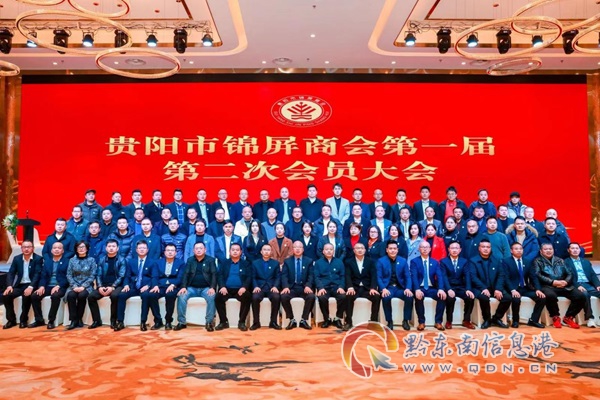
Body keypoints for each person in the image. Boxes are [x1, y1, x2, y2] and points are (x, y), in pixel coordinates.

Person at [533, 243, 586, 329]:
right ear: (541, 251)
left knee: (581, 296)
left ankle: (569, 317)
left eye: (550, 249)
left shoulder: (560, 260)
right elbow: (538, 275)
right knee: (550, 295)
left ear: (553, 250)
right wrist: (553, 282)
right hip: (548, 286)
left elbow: (569, 273)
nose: (548, 251)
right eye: (546, 249)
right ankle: (555, 317)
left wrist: (565, 282)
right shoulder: (537, 261)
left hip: (563, 285)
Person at [114, 240, 158, 331]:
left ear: (147, 250)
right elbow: (127, 276)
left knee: (146, 296)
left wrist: (148, 286)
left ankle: (143, 322)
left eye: (144, 248)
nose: (142, 250)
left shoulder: (152, 262)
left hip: (145, 287)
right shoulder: (131, 262)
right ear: (136, 250)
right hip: (133, 286)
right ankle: (120, 322)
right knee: (121, 295)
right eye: (140, 248)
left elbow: (154, 277)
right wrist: (126, 285)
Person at [501, 242, 546, 328]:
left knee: (541, 298)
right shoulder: (506, 261)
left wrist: (538, 289)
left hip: (525, 288)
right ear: (511, 251)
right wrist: (512, 290)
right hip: (513, 288)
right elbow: (506, 278)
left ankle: (533, 320)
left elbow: (533, 277)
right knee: (516, 299)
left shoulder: (527, 261)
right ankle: (515, 321)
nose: (519, 250)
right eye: (516, 249)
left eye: (520, 249)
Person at [142, 244, 185, 331]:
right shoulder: (158, 262)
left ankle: (168, 321)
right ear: (164, 252)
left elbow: (180, 277)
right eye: (168, 250)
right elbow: (154, 276)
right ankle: (158, 320)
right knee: (151, 295)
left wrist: (173, 285)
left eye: (172, 250)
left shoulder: (181, 263)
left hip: (173, 286)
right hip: (160, 285)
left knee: (170, 295)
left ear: (176, 253)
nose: (170, 252)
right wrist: (155, 285)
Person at [176, 241, 217, 331]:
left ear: (205, 250)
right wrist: (183, 287)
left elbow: (214, 274)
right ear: (193, 250)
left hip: (206, 288)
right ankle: (182, 322)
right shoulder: (190, 260)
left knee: (212, 296)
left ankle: (209, 322)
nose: (198, 250)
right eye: (196, 248)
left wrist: (212, 287)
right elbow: (186, 274)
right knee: (181, 296)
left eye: (201, 248)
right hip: (192, 288)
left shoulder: (210, 260)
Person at [469, 239, 511, 329]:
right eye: (483, 247)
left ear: (491, 248)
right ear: (479, 248)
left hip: (494, 287)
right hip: (479, 288)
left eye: (488, 247)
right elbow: (473, 277)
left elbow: (501, 275)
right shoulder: (473, 261)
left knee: (507, 298)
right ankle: (487, 319)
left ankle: (496, 318)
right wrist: (483, 288)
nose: (485, 249)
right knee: (484, 297)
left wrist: (498, 289)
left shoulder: (497, 260)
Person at [2, 240, 43, 329]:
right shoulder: (17, 258)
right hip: (20, 285)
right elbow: (11, 273)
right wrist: (9, 286)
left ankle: (23, 320)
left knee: (26, 296)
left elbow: (37, 274)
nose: (26, 249)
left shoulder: (38, 259)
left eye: (29, 247)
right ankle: (11, 320)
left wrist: (31, 287)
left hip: (32, 285)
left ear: (33, 248)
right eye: (24, 247)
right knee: (6, 295)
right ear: (21, 249)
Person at [87, 239, 126, 329]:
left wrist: (113, 287)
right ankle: (96, 321)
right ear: (106, 248)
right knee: (91, 297)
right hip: (103, 285)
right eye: (109, 246)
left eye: (113, 246)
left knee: (114, 296)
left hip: (117, 285)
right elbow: (98, 275)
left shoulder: (121, 260)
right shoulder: (102, 260)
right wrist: (100, 286)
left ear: (117, 248)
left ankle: (113, 320)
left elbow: (121, 276)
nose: (111, 248)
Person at [30, 242, 68, 329]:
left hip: (60, 286)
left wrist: (58, 286)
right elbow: (43, 276)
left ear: (63, 250)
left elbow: (68, 277)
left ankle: (51, 320)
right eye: (54, 248)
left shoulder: (67, 261)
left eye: (59, 248)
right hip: (47, 286)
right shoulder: (47, 262)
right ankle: (39, 320)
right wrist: (41, 286)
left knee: (55, 296)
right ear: (51, 250)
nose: (57, 250)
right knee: (35, 296)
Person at [377, 240, 413, 331]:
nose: (392, 250)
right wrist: (383, 289)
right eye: (390, 249)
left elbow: (407, 276)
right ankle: (389, 321)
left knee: (409, 296)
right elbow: (379, 277)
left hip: (400, 288)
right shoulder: (381, 261)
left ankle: (406, 320)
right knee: (386, 297)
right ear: (387, 250)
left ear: (397, 250)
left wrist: (408, 288)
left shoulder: (403, 261)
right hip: (388, 288)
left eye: (394, 248)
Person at [343, 242, 380, 330]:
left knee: (376, 297)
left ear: (365, 250)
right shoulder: (348, 262)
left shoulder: (370, 261)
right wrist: (350, 287)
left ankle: (373, 322)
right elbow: (347, 276)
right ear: (354, 250)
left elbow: (374, 276)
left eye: (362, 248)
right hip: (354, 288)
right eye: (357, 248)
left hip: (367, 288)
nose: (360, 250)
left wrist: (373, 288)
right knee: (348, 296)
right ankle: (348, 322)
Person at [215, 243, 252, 331]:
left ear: (241, 252)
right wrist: (222, 286)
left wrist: (244, 287)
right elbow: (220, 276)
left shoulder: (246, 264)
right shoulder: (224, 263)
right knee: (218, 297)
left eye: (237, 250)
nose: (235, 252)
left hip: (240, 290)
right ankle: (223, 321)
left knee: (247, 296)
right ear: (229, 251)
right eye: (233, 250)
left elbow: (249, 277)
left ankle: (242, 322)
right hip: (226, 289)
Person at [410, 241, 446, 331]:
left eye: (427, 247)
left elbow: (440, 276)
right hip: (420, 288)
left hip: (431, 288)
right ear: (419, 249)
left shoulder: (435, 262)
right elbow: (414, 276)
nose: (425, 249)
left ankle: (438, 322)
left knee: (442, 297)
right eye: (422, 247)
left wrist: (441, 289)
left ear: (430, 249)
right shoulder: (414, 261)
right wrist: (417, 289)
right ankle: (421, 322)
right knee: (419, 297)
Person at [440, 241, 476, 329]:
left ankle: (466, 320)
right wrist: (448, 289)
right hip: (449, 287)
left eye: (456, 248)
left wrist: (468, 289)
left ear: (460, 250)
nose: (454, 250)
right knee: (450, 298)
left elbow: (467, 276)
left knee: (470, 297)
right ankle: (449, 321)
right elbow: (444, 277)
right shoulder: (444, 261)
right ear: (448, 249)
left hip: (460, 287)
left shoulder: (464, 261)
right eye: (452, 248)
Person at [564, 242, 600, 328]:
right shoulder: (565, 262)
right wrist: (577, 286)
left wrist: (598, 285)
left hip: (588, 284)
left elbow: (593, 275)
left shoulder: (586, 262)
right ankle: (590, 319)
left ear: (580, 250)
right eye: (572, 248)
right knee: (584, 294)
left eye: (577, 248)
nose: (575, 250)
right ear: (568, 250)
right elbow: (567, 277)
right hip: (575, 285)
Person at [281, 241, 315, 330]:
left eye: (299, 247)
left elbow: (311, 275)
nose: (297, 249)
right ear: (292, 249)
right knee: (284, 296)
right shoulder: (287, 261)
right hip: (292, 287)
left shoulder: (309, 261)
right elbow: (284, 275)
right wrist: (286, 287)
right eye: (295, 247)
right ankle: (292, 319)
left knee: (311, 296)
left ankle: (304, 320)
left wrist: (308, 286)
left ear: (303, 249)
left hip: (304, 288)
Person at [65, 240, 97, 330]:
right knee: (71, 295)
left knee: (82, 296)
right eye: (79, 247)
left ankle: (79, 318)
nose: (81, 249)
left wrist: (83, 286)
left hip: (87, 286)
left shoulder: (91, 260)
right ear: (76, 249)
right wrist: (74, 286)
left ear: (87, 249)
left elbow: (93, 275)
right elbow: (69, 275)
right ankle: (73, 320)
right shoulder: (72, 260)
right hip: (74, 285)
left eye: (83, 247)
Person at [250, 244, 282, 330]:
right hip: (259, 287)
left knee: (276, 297)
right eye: (264, 250)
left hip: (271, 287)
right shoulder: (255, 263)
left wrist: (275, 286)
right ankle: (256, 322)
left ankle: (273, 322)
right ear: (261, 252)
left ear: (271, 252)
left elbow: (278, 277)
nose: (266, 252)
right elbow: (253, 277)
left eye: (268, 250)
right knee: (255, 297)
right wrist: (255, 286)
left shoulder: (275, 263)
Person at [314, 243, 346, 329]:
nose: (329, 251)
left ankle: (337, 318)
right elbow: (316, 277)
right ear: (323, 251)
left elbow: (343, 276)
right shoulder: (318, 263)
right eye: (327, 249)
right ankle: (326, 319)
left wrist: (341, 287)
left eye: (331, 249)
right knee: (322, 297)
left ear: (333, 251)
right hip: (324, 287)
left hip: (336, 287)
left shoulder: (339, 262)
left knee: (343, 297)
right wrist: (320, 288)